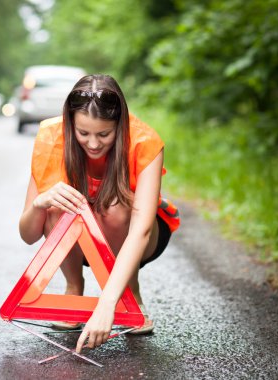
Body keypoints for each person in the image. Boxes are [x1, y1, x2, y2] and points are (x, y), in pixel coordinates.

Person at [18, 74, 179, 354]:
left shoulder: (145, 141)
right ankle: (73, 287)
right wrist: (39, 204)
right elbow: (28, 235)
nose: (93, 144)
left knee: (116, 206)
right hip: (81, 240)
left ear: (121, 125)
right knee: (57, 203)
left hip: (139, 233)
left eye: (104, 134)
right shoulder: (50, 137)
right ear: (70, 124)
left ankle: (128, 291)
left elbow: (141, 230)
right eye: (83, 133)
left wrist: (106, 304)